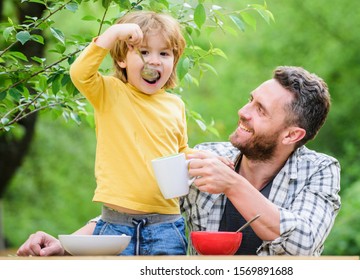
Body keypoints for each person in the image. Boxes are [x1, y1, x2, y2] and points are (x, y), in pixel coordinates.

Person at [17, 66, 341, 257]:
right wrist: (66, 245)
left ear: (291, 135)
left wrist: (232, 185)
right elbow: (138, 213)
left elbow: (303, 243)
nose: (244, 112)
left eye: (261, 110)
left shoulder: (319, 171)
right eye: (250, 100)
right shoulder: (210, 158)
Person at [68, 10, 192, 255]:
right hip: (115, 226)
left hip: (166, 226)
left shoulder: (175, 106)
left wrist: (200, 160)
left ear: (174, 61)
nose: (155, 60)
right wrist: (113, 34)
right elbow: (79, 73)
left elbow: (180, 153)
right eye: (144, 52)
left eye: (164, 53)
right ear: (122, 59)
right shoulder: (110, 92)